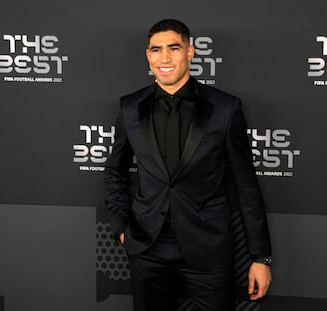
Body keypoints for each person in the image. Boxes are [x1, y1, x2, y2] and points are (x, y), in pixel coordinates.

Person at [104, 18, 272, 311]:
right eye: (156, 50)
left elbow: (246, 185)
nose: (164, 58)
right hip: (147, 246)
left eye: (174, 48)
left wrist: (260, 257)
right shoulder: (129, 107)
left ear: (190, 52)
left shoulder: (225, 107)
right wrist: (121, 226)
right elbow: (115, 171)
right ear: (148, 55)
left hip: (208, 249)